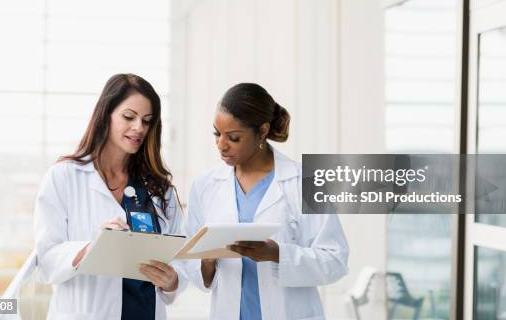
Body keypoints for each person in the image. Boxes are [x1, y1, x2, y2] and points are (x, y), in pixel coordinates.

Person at [184, 83, 349, 319]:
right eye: (217, 134)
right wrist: (206, 261)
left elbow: (335, 260)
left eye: (234, 137)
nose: (221, 145)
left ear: (262, 131)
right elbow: (193, 267)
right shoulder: (204, 186)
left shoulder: (304, 182)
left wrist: (278, 254)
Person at [34, 73, 186, 320]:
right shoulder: (64, 177)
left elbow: (180, 259)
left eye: (147, 121)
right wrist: (91, 247)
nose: (139, 128)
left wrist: (173, 280)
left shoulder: (160, 189)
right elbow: (47, 261)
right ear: (106, 115)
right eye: (129, 117)